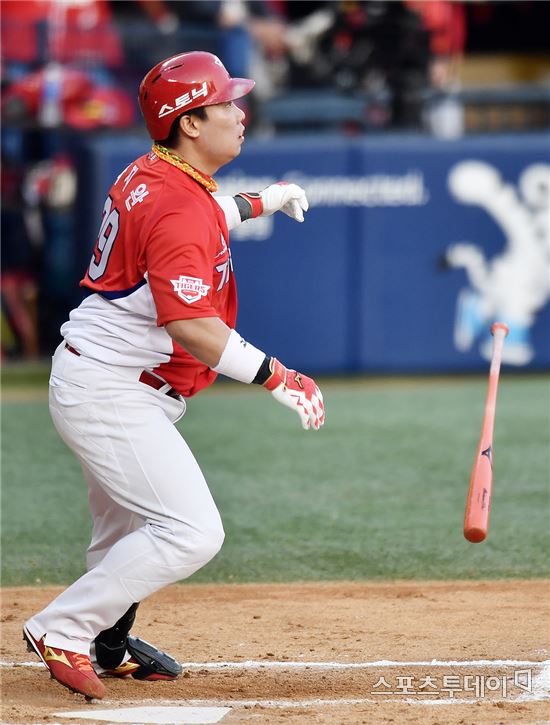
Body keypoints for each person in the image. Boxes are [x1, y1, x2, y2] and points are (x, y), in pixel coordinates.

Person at [22, 50, 325, 700]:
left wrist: (264, 200)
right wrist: (279, 376)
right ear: (190, 122)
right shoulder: (176, 202)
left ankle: (105, 642)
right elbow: (192, 327)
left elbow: (204, 214)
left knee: (124, 532)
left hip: (104, 378)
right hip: (111, 391)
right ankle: (62, 628)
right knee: (192, 531)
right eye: (225, 104)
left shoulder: (159, 172)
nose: (240, 114)